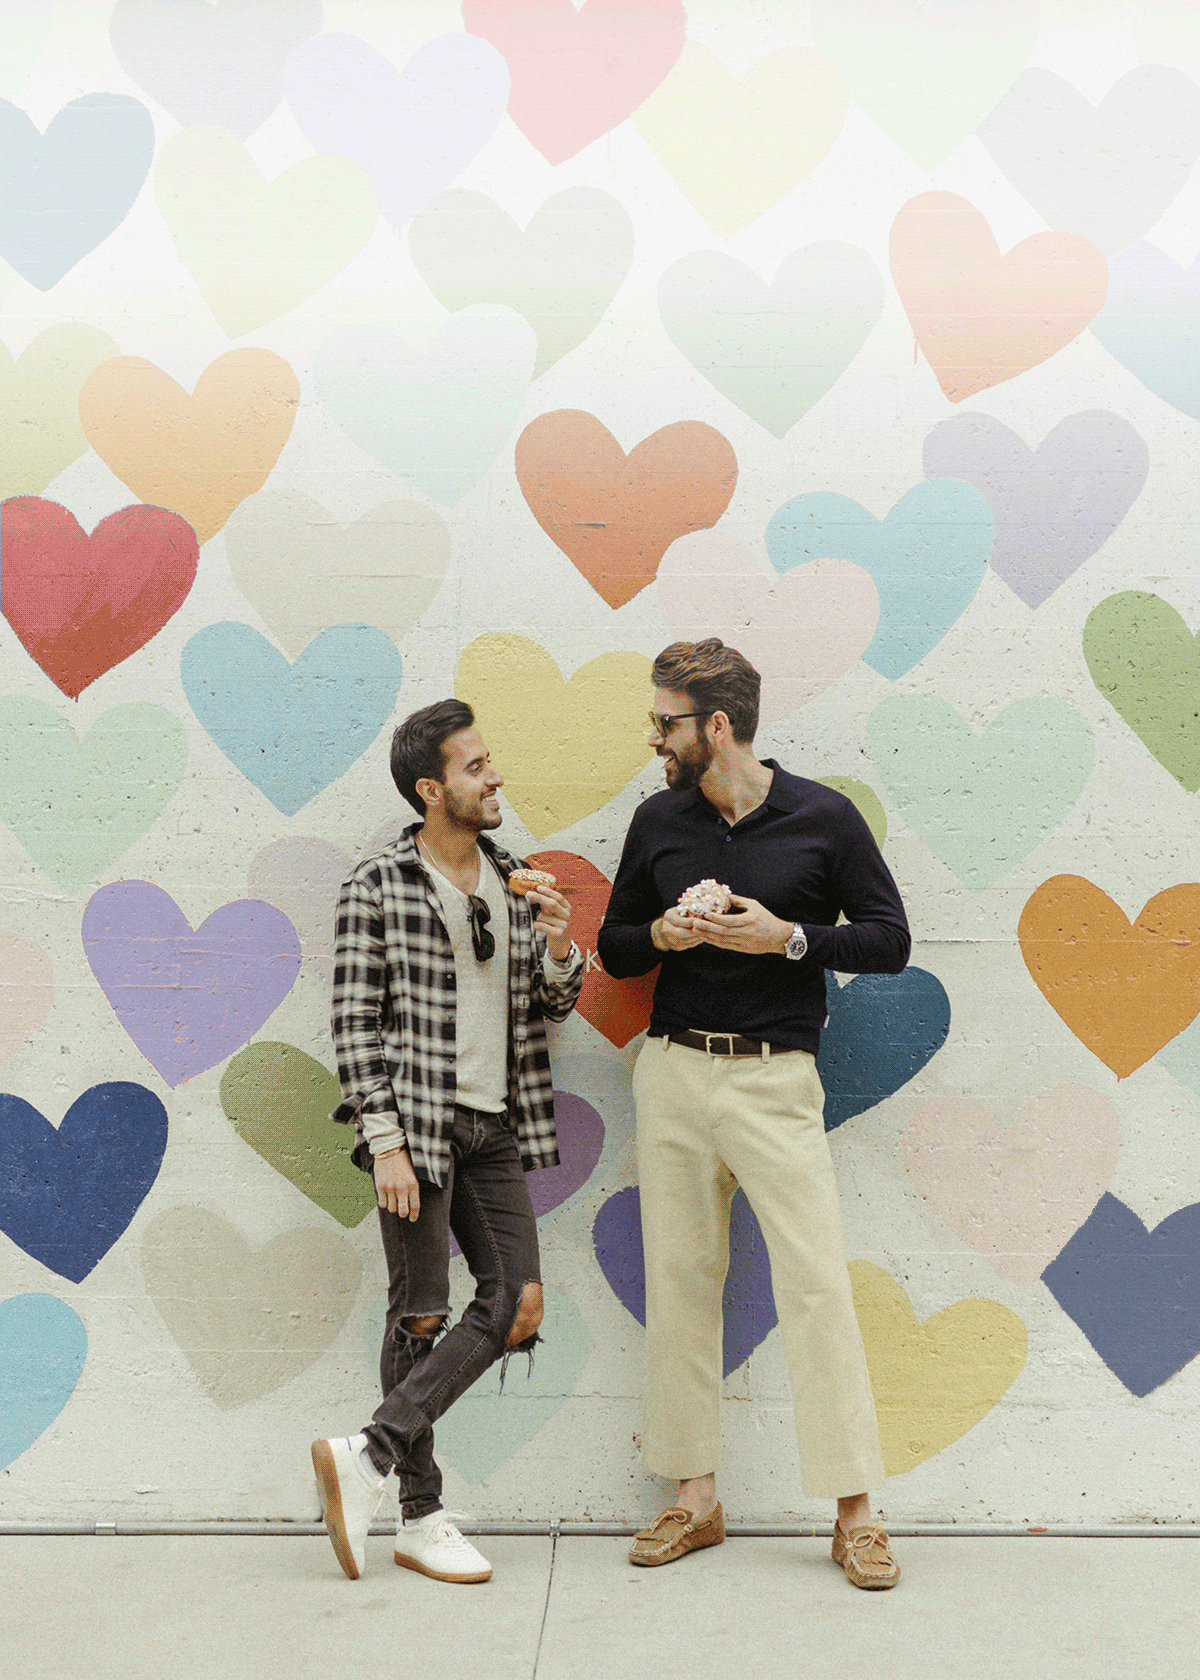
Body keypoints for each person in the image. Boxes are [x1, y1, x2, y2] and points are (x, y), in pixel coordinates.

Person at [597, 639, 911, 1590]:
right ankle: (696, 1500)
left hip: (777, 1082)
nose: (654, 737)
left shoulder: (824, 818)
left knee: (815, 1285)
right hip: (674, 1074)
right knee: (681, 1283)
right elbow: (616, 948)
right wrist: (663, 931)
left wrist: (789, 939)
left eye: (666, 722)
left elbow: (890, 940)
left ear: (718, 725)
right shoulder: (658, 820)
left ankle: (856, 1516)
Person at [312, 698, 583, 1584]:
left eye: (488, 760)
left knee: (517, 1303)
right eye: (475, 767)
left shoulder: (515, 880)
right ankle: (420, 1517)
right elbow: (353, 1023)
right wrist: (383, 1142)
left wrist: (558, 946)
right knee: (420, 1314)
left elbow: (552, 1007)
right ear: (432, 790)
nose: (494, 776)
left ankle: (369, 1453)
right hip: (417, 1129)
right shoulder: (377, 884)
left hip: (494, 1125)